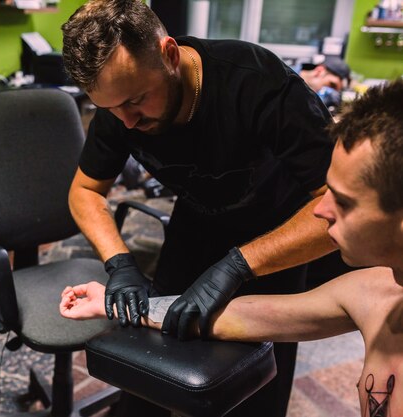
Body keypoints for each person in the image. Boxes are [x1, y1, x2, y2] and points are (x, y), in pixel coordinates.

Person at [60, 78, 403, 417]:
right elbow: (246, 318)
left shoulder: (261, 86)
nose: (320, 210)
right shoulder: (371, 292)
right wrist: (118, 306)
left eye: (343, 202)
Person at [61, 1, 335, 415]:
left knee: (255, 389)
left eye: (136, 101)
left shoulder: (258, 84)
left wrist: (239, 265)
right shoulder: (120, 109)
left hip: (277, 238)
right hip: (195, 228)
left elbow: (336, 206)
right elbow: (84, 191)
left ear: (169, 55)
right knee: (150, 370)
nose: (127, 122)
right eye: (110, 109)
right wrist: (119, 263)